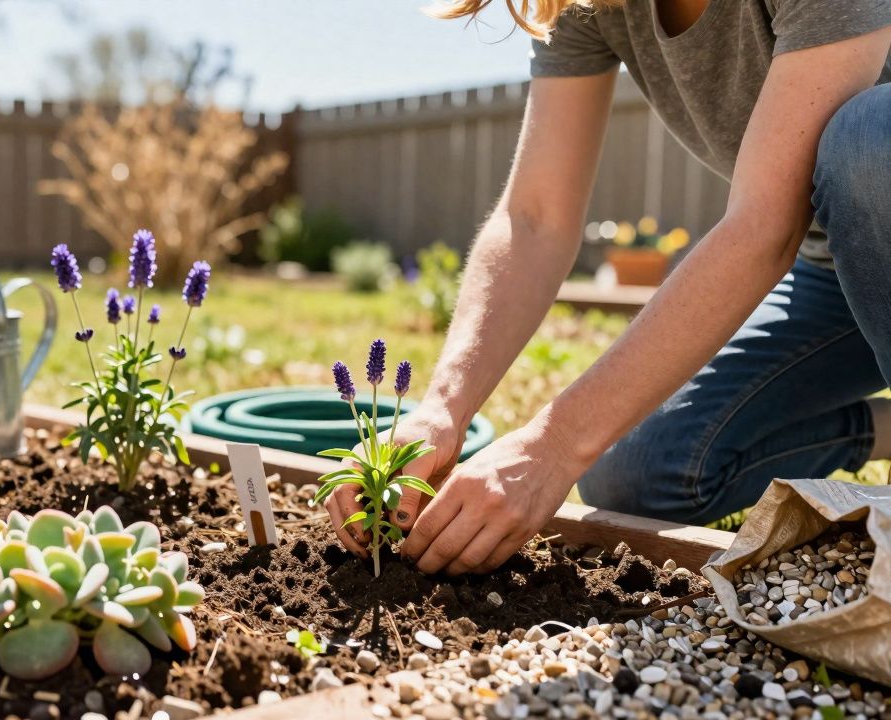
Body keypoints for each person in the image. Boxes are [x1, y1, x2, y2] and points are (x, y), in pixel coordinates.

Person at [325, 0, 891, 576]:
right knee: (636, 471)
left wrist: (553, 442)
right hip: (836, 270)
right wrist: (442, 413)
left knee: (870, 138)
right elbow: (535, 218)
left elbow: (763, 226)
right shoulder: (585, 6)